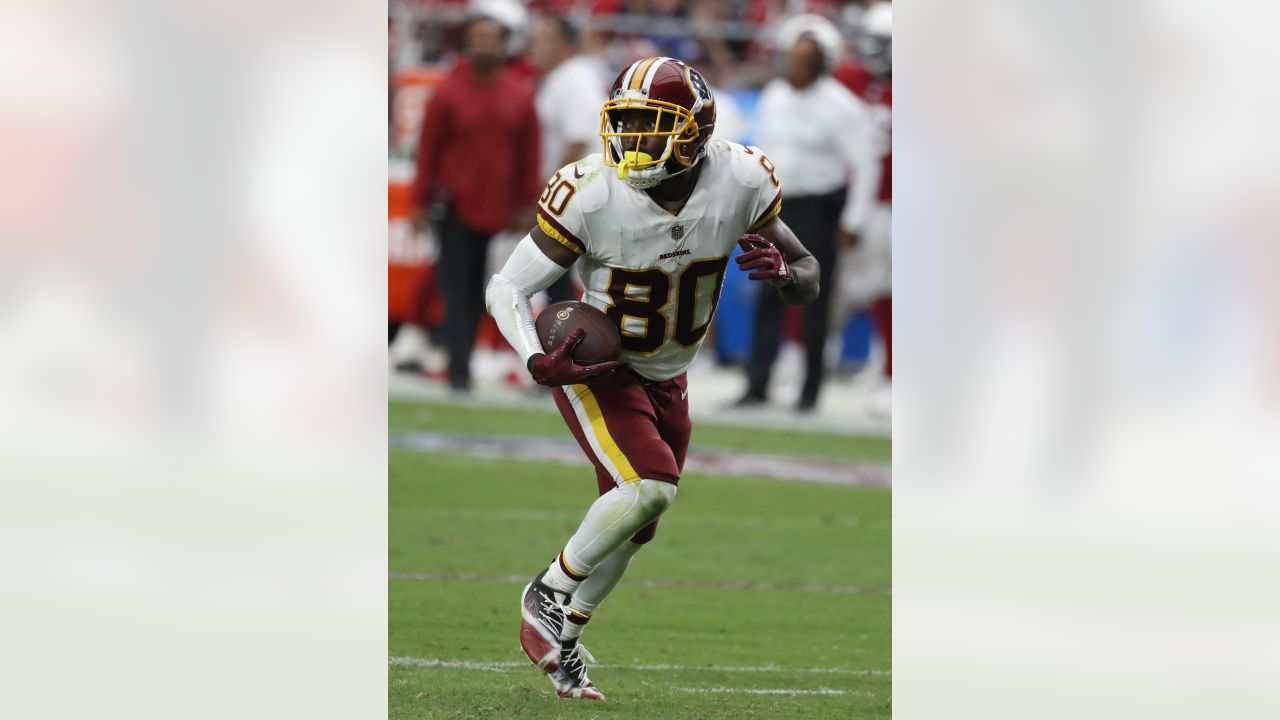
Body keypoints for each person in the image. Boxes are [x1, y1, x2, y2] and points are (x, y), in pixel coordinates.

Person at [484, 57, 820, 700]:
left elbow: (807, 273)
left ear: (695, 132)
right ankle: (548, 593)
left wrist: (785, 276)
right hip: (598, 362)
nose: (633, 140)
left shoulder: (742, 177)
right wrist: (535, 359)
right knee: (651, 487)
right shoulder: (591, 189)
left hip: (672, 370)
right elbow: (508, 288)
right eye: (626, 123)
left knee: (638, 526)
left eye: (650, 124)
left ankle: (567, 638)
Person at [735, 14, 881, 412]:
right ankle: (756, 385)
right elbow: (760, 152)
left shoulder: (841, 105)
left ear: (821, 65)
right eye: (791, 60)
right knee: (767, 294)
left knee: (813, 296)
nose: (793, 68)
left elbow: (866, 164)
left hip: (819, 206)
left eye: (804, 62)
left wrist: (853, 220)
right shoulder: (774, 96)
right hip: (776, 207)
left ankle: (809, 392)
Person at [413, 13, 541, 391]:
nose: (483, 44)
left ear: (504, 44)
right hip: (457, 209)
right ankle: (459, 370)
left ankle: (526, 367)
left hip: (505, 214)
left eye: (490, 37)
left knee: (511, 293)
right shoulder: (448, 94)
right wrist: (421, 201)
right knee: (459, 293)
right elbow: (428, 151)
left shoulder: (520, 95)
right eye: (476, 37)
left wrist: (526, 205)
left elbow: (529, 155)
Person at [527, 15, 607, 304]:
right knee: (553, 273)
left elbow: (579, 137)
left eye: (544, 38)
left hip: (576, 192)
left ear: (565, 43)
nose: (535, 45)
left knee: (563, 272)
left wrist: (552, 187)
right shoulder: (560, 77)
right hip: (570, 191)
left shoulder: (575, 77)